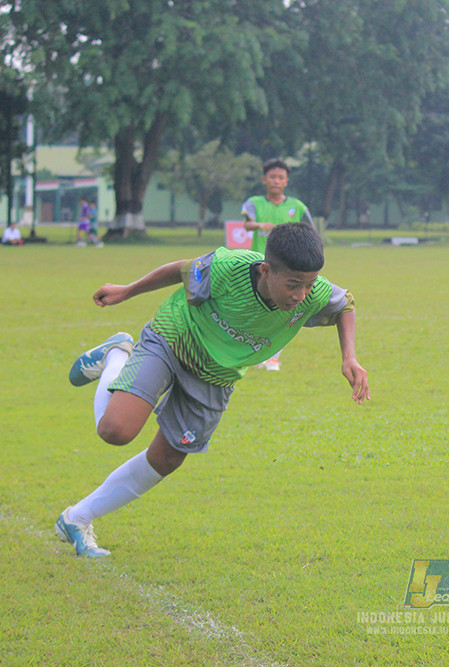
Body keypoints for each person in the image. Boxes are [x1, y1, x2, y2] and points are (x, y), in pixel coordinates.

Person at [55, 223, 370, 558]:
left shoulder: (312, 291)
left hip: (216, 375)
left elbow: (344, 304)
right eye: (293, 285)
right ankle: (117, 354)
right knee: (115, 430)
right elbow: (179, 270)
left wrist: (349, 356)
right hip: (173, 338)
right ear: (265, 271)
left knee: (168, 457)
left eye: (308, 285)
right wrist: (127, 290)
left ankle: (77, 519)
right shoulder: (227, 268)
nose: (301, 295)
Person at [242, 158, 314, 371]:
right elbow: (246, 225)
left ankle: (273, 357)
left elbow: (308, 230)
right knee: (257, 309)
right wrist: (259, 225)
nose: (276, 180)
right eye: (272, 177)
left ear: (286, 181)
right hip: (259, 265)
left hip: (287, 266)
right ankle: (256, 353)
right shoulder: (254, 203)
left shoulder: (297, 206)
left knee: (283, 310)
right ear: (265, 179)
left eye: (280, 177)